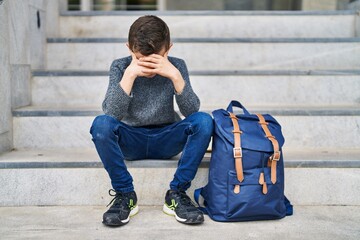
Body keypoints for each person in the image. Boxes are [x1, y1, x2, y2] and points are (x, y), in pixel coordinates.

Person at [90, 15, 213, 227]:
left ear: (168, 49)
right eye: (140, 58)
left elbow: (191, 112)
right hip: (131, 139)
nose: (148, 66)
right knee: (101, 124)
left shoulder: (176, 66)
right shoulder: (120, 67)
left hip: (166, 137)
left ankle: (177, 193)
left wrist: (175, 76)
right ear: (129, 48)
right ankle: (125, 194)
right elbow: (111, 114)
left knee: (204, 121)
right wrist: (129, 75)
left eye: (156, 58)